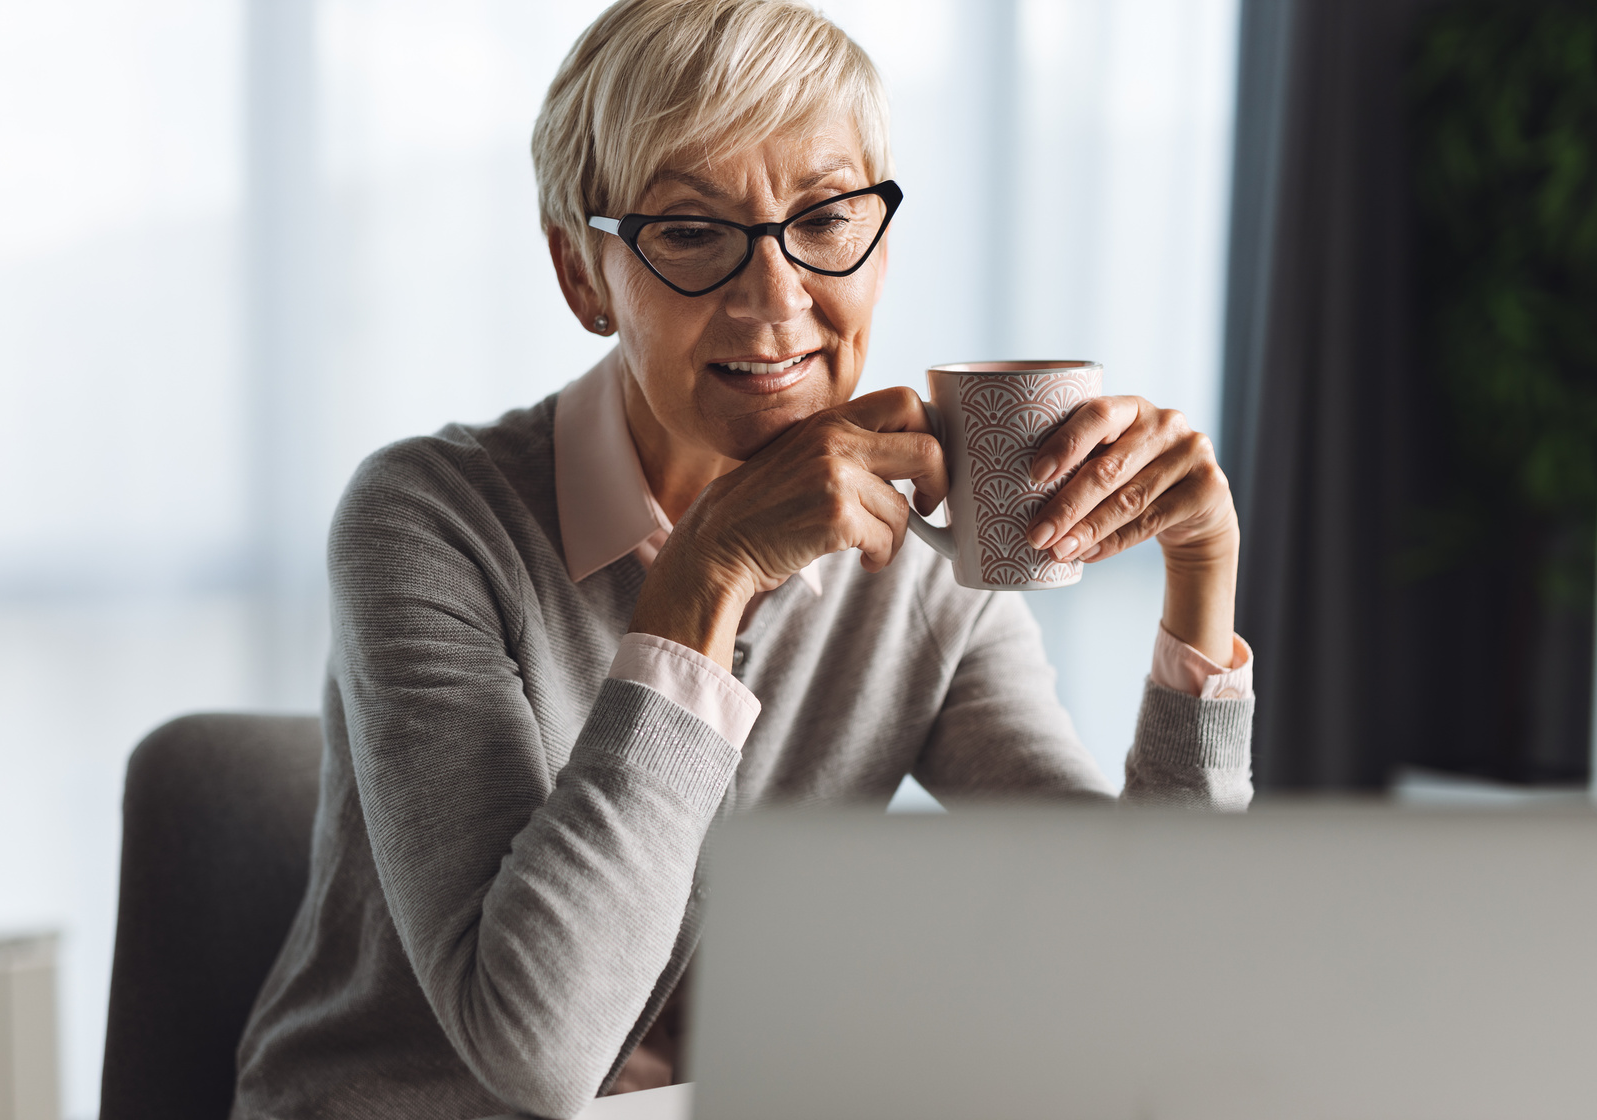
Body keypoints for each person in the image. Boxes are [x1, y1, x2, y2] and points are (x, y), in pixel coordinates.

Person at [230, 1, 1254, 1117]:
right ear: (582, 271)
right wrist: (706, 576)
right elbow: (538, 1049)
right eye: (689, 230)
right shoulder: (428, 519)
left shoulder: (917, 569)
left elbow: (1147, 965)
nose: (776, 298)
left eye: (824, 217)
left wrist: (1201, 585)